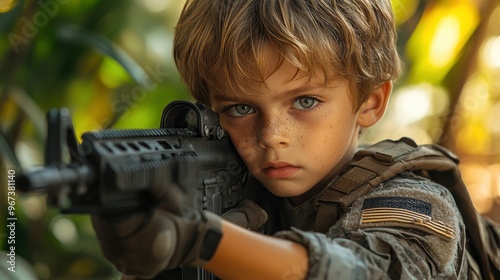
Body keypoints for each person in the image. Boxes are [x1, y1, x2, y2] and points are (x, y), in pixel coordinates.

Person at [92, 0, 475, 279]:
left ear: (370, 102)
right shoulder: (233, 189)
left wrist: (200, 241)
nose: (272, 136)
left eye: (305, 101)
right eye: (241, 109)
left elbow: (364, 272)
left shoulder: (418, 204)